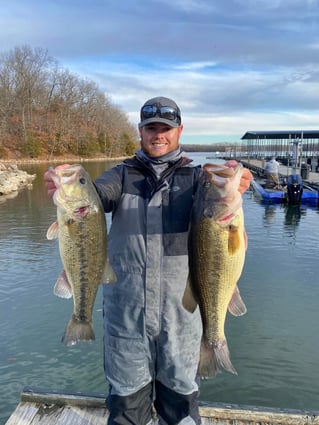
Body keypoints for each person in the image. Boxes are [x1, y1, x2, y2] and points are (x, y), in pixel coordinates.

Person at [44, 96, 252, 425]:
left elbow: (221, 217)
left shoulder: (198, 180)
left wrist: (236, 184)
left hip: (180, 318)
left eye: (166, 129)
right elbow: (94, 199)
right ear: (140, 132)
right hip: (126, 318)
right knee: (126, 408)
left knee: (180, 409)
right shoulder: (121, 175)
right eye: (151, 128)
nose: (159, 135)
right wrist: (65, 190)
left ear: (179, 131)